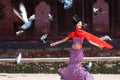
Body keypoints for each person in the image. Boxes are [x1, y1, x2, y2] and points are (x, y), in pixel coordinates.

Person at [50, 15, 112, 80]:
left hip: (79, 52)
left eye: (81, 24)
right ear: (75, 24)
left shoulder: (83, 34)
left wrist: (98, 45)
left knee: (77, 67)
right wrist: (56, 43)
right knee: (71, 65)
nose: (80, 24)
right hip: (73, 52)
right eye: (79, 23)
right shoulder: (72, 33)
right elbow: (64, 40)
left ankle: (83, 77)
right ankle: (67, 77)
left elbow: (90, 41)